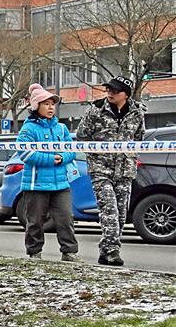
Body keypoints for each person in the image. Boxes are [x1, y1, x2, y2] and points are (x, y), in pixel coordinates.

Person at [75, 75, 147, 266]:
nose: (110, 93)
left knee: (122, 214)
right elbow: (82, 136)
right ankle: (113, 251)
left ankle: (106, 251)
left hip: (125, 169)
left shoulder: (137, 112)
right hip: (101, 168)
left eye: (115, 90)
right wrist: (94, 154)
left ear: (126, 94)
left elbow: (138, 138)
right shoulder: (96, 110)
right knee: (109, 210)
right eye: (108, 90)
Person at [17, 84, 79, 262]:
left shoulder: (61, 128)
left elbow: (71, 150)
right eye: (46, 104)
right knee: (35, 221)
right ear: (37, 106)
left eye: (53, 103)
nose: (51, 107)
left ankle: (69, 252)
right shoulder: (28, 129)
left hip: (61, 183)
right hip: (35, 184)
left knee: (66, 218)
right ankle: (34, 252)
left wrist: (63, 157)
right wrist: (50, 160)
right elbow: (25, 153)